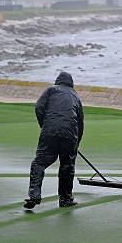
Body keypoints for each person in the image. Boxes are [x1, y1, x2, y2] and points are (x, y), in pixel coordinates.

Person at [24, 71, 84, 209]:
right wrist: (76, 142)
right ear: (71, 83)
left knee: (39, 162)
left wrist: (44, 126)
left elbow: (39, 107)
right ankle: (65, 199)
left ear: (58, 81)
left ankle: (34, 195)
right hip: (70, 135)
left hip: (49, 132)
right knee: (67, 167)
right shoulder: (76, 96)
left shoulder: (51, 90)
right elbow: (80, 123)